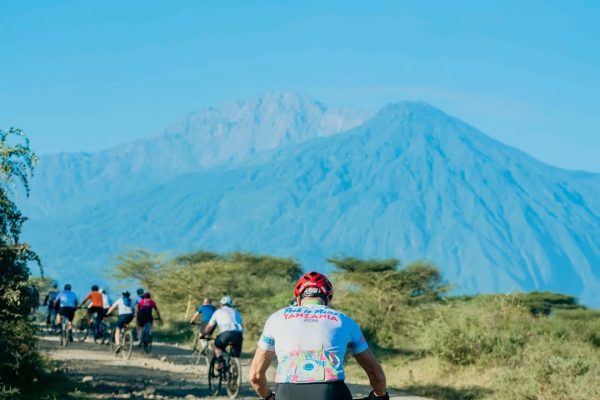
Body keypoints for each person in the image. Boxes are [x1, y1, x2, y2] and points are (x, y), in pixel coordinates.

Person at [248, 271, 388, 400]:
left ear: (298, 299)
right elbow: (377, 376)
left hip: (287, 392)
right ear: (328, 298)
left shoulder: (276, 319)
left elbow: (255, 376)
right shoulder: (344, 321)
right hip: (332, 392)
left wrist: (268, 397)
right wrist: (379, 395)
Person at [202, 296, 243, 370]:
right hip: (238, 335)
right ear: (230, 304)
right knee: (235, 356)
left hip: (226, 334)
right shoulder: (236, 312)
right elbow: (241, 325)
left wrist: (203, 334)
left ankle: (221, 363)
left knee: (216, 346)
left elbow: (209, 326)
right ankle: (235, 371)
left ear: (221, 304)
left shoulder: (218, 312)